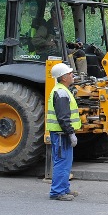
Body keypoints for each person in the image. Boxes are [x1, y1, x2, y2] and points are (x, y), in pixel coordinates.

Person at [47, 62, 80, 201]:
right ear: (63, 77)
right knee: (62, 162)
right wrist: (70, 133)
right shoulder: (61, 92)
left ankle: (64, 188)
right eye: (69, 73)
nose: (72, 75)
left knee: (65, 162)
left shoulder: (62, 90)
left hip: (61, 134)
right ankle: (57, 192)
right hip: (62, 134)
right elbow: (63, 117)